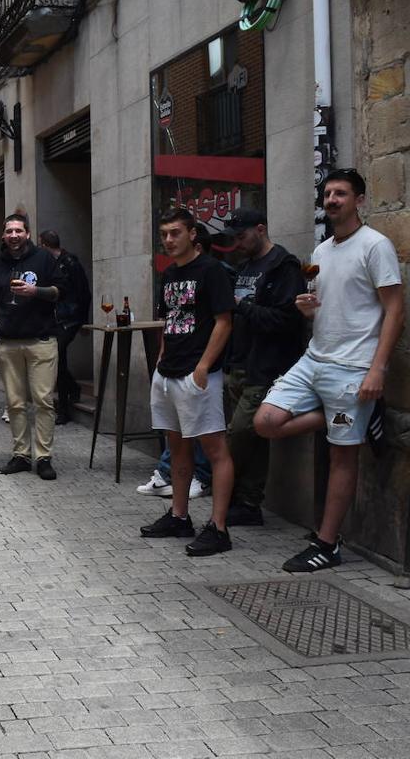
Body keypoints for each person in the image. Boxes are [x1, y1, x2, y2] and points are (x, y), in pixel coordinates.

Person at [256, 169, 403, 572]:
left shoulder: (376, 246)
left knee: (343, 457)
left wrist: (377, 370)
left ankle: (327, 542)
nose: (333, 199)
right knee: (265, 421)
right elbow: (324, 304)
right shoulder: (321, 252)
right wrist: (307, 308)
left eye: (342, 193)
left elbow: (394, 309)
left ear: (359, 200)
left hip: (354, 366)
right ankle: (352, 416)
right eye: (328, 193)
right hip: (315, 359)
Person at [141, 206, 236, 556]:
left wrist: (203, 366)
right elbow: (168, 321)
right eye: (164, 234)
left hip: (198, 374)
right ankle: (179, 516)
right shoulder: (168, 275)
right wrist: (162, 358)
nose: (168, 240)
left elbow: (224, 321)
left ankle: (219, 528)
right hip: (168, 372)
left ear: (192, 233)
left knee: (214, 450)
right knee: (177, 447)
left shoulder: (211, 270)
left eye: (175, 233)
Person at [220, 208, 306, 526]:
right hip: (240, 363)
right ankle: (249, 504)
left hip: (267, 367)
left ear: (260, 229)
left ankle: (225, 496)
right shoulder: (243, 267)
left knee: (239, 433)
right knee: (253, 439)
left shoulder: (284, 266)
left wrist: (242, 306)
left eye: (241, 236)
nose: (237, 243)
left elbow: (286, 320)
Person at [0, 214, 67, 481]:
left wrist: (35, 292)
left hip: (41, 341)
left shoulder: (44, 259)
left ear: (28, 234)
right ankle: (21, 454)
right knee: (15, 403)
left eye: (18, 230)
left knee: (43, 401)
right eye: (9, 231)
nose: (14, 235)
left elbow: (60, 291)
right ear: (3, 236)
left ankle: (43, 457)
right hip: (8, 343)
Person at [39, 230, 90, 425]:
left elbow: (84, 292)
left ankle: (64, 406)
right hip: (57, 318)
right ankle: (72, 389)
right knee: (56, 357)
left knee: (57, 354)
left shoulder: (70, 263)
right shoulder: (49, 263)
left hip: (71, 317)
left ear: (44, 245)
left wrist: (84, 319)